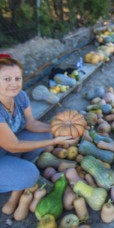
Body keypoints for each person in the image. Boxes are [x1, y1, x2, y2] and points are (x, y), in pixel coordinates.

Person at [0, 54, 77, 214]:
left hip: (8, 148)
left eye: (17, 78)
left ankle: (15, 169)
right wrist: (54, 141)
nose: (14, 84)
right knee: (31, 174)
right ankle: (14, 179)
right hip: (9, 148)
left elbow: (31, 123)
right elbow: (13, 146)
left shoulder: (20, 96)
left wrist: (57, 127)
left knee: (45, 135)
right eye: (7, 79)